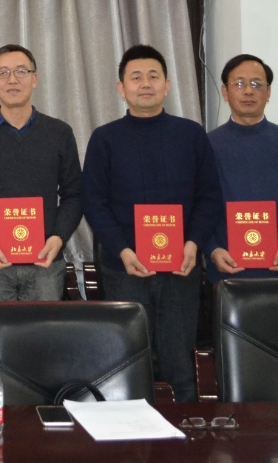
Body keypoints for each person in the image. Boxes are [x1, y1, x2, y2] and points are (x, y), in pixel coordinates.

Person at [81, 44, 221, 403]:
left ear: (167, 85)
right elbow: (94, 203)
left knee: (180, 367)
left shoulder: (191, 135)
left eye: (153, 76)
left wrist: (193, 243)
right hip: (124, 270)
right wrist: (123, 251)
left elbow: (209, 197)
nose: (145, 84)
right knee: (128, 365)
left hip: (181, 269)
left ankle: (184, 431)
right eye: (136, 77)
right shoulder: (104, 138)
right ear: (121, 87)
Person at [0, 44, 83, 303]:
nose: (12, 79)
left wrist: (59, 238)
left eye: (21, 71)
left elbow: (74, 195)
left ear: (34, 79)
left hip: (45, 262)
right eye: (3, 73)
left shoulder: (59, 133)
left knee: (43, 330)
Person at [206, 54, 278, 284]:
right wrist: (212, 250)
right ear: (225, 92)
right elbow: (197, 207)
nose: (248, 91)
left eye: (256, 84)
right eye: (239, 83)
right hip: (227, 275)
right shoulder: (206, 146)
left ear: (268, 93)